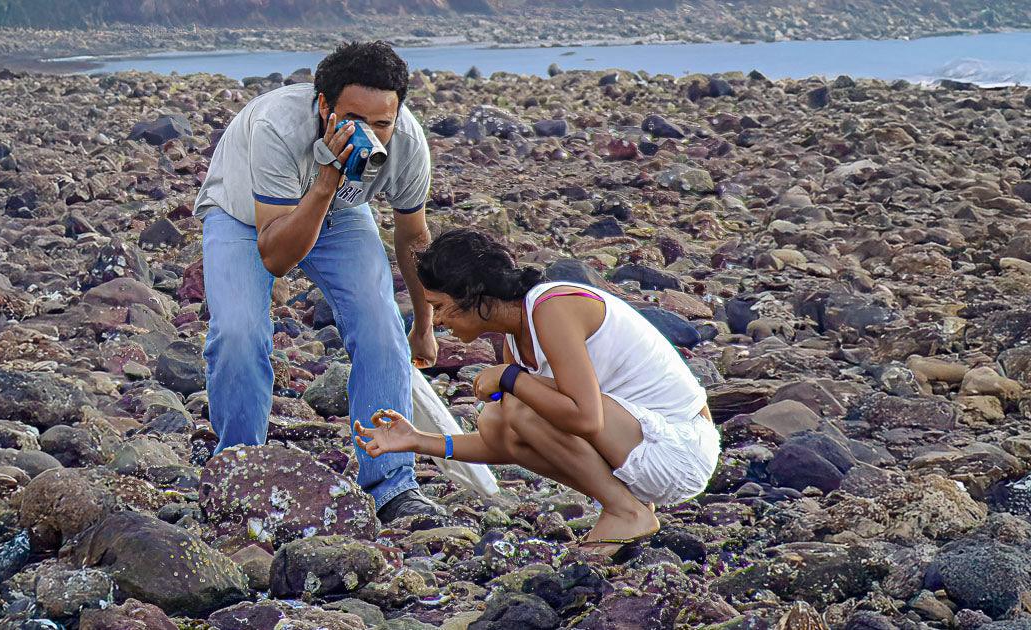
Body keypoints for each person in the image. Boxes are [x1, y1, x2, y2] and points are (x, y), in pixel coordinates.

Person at [195, 41, 445, 521]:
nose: (370, 135)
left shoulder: (407, 143)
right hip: (245, 217)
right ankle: (239, 470)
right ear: (324, 105)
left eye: (382, 123)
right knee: (239, 335)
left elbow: (413, 238)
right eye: (354, 119)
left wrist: (424, 322)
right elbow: (276, 257)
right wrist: (328, 176)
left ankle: (392, 484)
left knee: (381, 329)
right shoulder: (277, 127)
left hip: (340, 215)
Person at [354, 229, 721, 550]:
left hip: (681, 450)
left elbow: (586, 418)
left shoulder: (551, 307)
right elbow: (508, 444)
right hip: (640, 450)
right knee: (497, 418)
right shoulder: (516, 338)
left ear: (472, 294)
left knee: (516, 405)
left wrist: (511, 378)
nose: (437, 320)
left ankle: (625, 512)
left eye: (440, 307)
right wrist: (419, 440)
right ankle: (629, 506)